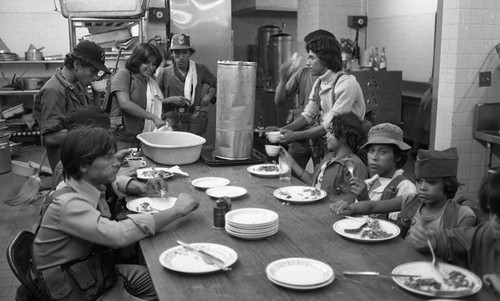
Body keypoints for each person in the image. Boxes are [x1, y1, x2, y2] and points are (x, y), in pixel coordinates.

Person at [32, 127, 200, 300]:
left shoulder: (82, 183)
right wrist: (176, 210)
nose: (117, 163)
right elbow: (118, 235)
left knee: (168, 280)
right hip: (75, 287)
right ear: (83, 165)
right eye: (108, 157)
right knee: (173, 286)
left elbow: (116, 181)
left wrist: (142, 187)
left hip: (93, 269)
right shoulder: (69, 204)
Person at [330, 147, 477, 240]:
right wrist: (351, 208)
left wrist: (433, 241)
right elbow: (372, 207)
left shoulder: (463, 215)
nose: (422, 188)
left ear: (448, 184)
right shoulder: (412, 201)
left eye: (431, 183)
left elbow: (459, 248)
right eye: (419, 181)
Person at [274, 35, 366, 160]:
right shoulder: (319, 83)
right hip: (331, 141)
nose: (307, 63)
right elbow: (308, 115)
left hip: (347, 147)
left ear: (325, 60)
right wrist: (281, 130)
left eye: (311, 58)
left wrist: (295, 135)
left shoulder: (346, 83)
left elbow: (332, 125)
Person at [410, 172, 500, 288]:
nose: (494, 222)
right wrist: (431, 241)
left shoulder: (463, 214)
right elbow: (456, 240)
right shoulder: (487, 233)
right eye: (492, 213)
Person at [34, 40, 110, 172]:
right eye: (93, 71)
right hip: (67, 167)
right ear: (76, 64)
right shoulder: (54, 91)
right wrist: (93, 131)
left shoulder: (78, 84)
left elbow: (92, 117)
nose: (95, 77)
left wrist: (97, 96)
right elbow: (51, 137)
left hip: (82, 159)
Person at [273, 29, 336, 168]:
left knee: (320, 177)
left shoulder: (339, 82)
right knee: (288, 171)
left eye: (312, 56)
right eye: (309, 56)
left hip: (322, 139)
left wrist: (291, 134)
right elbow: (279, 101)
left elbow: (329, 125)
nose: (308, 61)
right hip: (300, 134)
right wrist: (283, 78)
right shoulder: (304, 74)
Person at [282, 112, 368, 203]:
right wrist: (290, 160)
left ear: (343, 136)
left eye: (331, 132)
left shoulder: (354, 165)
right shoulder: (329, 157)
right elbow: (312, 182)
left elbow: (351, 200)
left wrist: (321, 199)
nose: (326, 136)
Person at [349, 123, 416, 221]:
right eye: (371, 151)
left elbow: (392, 229)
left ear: (397, 157)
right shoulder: (368, 183)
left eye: (383, 152)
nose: (374, 157)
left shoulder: (405, 188)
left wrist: (364, 199)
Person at [156, 33, 217, 135]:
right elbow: (154, 99)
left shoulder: (200, 70)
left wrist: (207, 99)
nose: (181, 57)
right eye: (177, 52)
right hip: (172, 119)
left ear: (190, 53)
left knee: (193, 148)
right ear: (171, 53)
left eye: (185, 52)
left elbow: (217, 84)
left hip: (194, 118)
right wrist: (170, 100)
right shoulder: (165, 72)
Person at [109, 43, 166, 150]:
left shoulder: (149, 82)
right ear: (137, 61)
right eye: (147, 62)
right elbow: (125, 104)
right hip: (122, 141)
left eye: (154, 64)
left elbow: (150, 104)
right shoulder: (124, 75)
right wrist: (153, 117)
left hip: (142, 139)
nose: (151, 67)